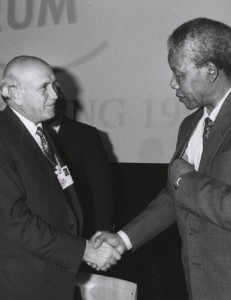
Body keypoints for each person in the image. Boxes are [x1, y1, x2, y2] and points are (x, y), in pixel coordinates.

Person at [92, 18, 231, 300]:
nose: (172, 83)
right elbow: (175, 197)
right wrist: (123, 239)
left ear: (211, 71)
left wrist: (185, 178)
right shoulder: (190, 125)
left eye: (179, 74)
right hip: (201, 284)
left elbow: (188, 187)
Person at [0, 55, 120, 300]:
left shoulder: (40, 132)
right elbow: (14, 221)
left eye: (54, 85)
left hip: (52, 274)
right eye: (44, 88)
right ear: (15, 93)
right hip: (22, 283)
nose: (55, 95)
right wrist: (85, 250)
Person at [47, 86, 115, 238]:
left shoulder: (85, 135)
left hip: (75, 230)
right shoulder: (21, 134)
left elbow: (102, 189)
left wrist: (103, 231)